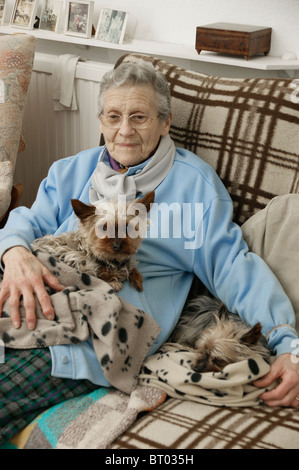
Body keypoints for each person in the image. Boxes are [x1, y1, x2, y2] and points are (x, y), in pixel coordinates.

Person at [0, 61, 299, 443]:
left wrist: (288, 343)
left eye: (139, 117)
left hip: (98, 333)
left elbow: (233, 267)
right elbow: (26, 221)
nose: (124, 130)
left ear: (165, 122)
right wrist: (14, 254)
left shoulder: (195, 188)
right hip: (33, 294)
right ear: (102, 121)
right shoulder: (69, 171)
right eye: (114, 116)